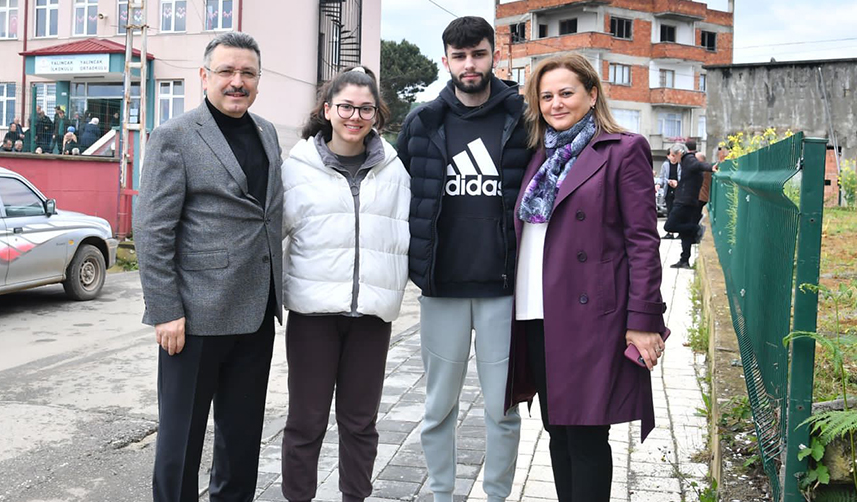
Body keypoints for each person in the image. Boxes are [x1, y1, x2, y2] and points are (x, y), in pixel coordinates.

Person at [504, 53, 668, 502]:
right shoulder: (539, 156)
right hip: (535, 310)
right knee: (557, 432)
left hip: (591, 317)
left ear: (592, 95)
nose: (556, 104)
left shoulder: (622, 149)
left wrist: (644, 318)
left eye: (566, 93)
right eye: (547, 96)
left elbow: (642, 241)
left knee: (587, 436)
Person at [133, 32, 283, 502]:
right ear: (204, 77)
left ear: (259, 80)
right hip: (193, 319)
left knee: (241, 440)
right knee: (181, 442)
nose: (236, 82)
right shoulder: (175, 135)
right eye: (226, 72)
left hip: (256, 312)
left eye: (247, 74)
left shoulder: (267, 131)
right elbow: (152, 230)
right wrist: (165, 310)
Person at [395, 16, 529, 502]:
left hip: (504, 289)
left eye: (478, 53)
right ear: (445, 59)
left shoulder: (524, 117)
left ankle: (496, 496)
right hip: (442, 288)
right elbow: (393, 191)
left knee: (502, 409)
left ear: (494, 54)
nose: (469, 64)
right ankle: (441, 495)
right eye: (459, 55)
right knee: (437, 410)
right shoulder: (423, 120)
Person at [279, 65, 410, 502]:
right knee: (306, 421)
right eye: (346, 106)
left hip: (371, 315)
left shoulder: (395, 170)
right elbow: (271, 233)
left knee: (359, 423)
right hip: (313, 314)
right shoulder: (295, 167)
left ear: (378, 114)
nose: (355, 116)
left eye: (366, 108)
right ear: (327, 109)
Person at [663, 139, 718, 269]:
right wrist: (678, 185)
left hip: (684, 202)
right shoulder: (685, 162)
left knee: (669, 226)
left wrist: (710, 167)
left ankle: (696, 228)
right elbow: (690, 179)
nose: (673, 158)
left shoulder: (688, 160)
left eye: (673, 155)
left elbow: (699, 165)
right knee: (685, 235)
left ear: (679, 153)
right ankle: (684, 260)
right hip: (689, 200)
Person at [656, 145, 683, 239]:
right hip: (668, 191)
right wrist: (659, 185)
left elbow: (683, 178)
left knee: (679, 212)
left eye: (675, 155)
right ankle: (670, 232)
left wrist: (677, 183)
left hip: (679, 191)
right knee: (670, 212)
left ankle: (681, 232)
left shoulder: (681, 165)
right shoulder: (665, 165)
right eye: (672, 155)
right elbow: (662, 178)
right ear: (668, 156)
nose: (673, 157)